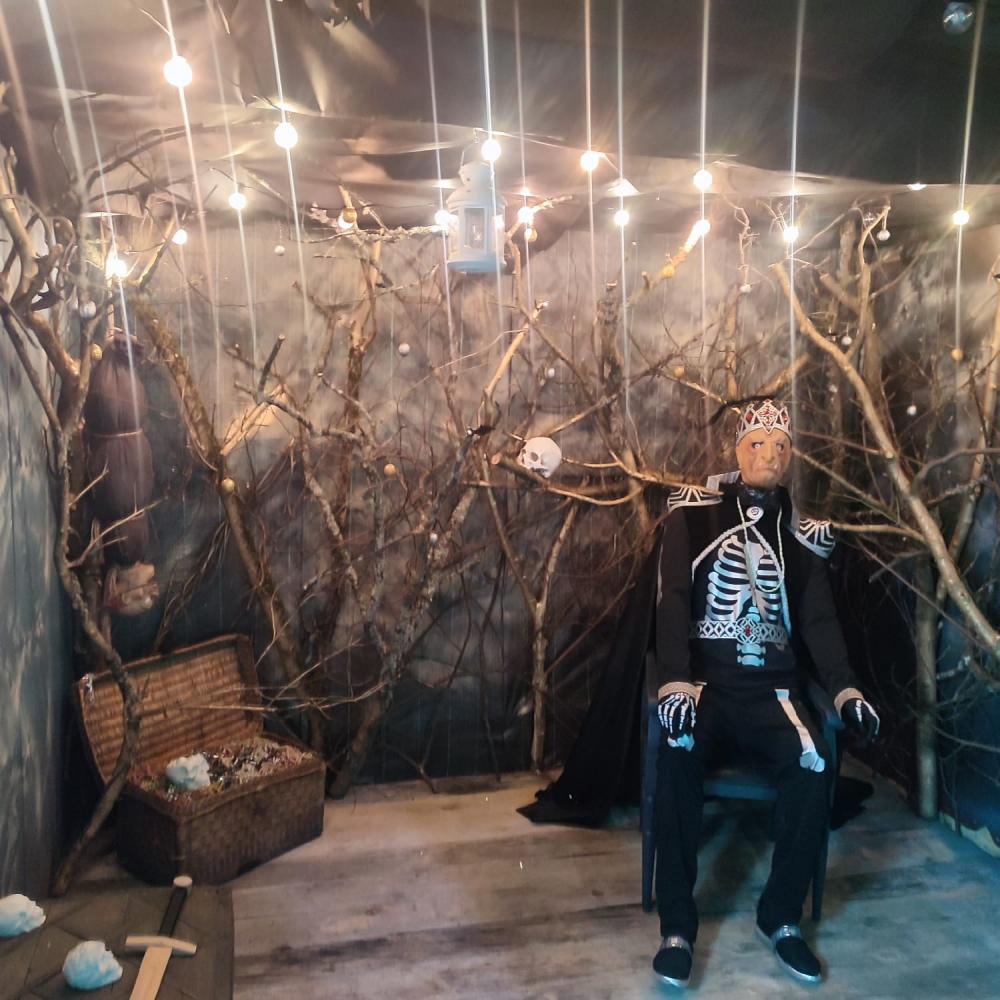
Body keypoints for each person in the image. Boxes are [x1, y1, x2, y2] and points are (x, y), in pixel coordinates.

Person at [651, 398, 879, 987]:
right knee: (676, 751)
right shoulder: (694, 518)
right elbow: (672, 601)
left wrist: (847, 690)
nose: (770, 456)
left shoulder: (800, 538)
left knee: (814, 761)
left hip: (773, 693)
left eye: (781, 447)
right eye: (757, 444)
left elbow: (820, 623)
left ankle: (780, 916)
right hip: (705, 686)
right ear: (737, 451)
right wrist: (674, 680)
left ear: (791, 457)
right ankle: (677, 927)